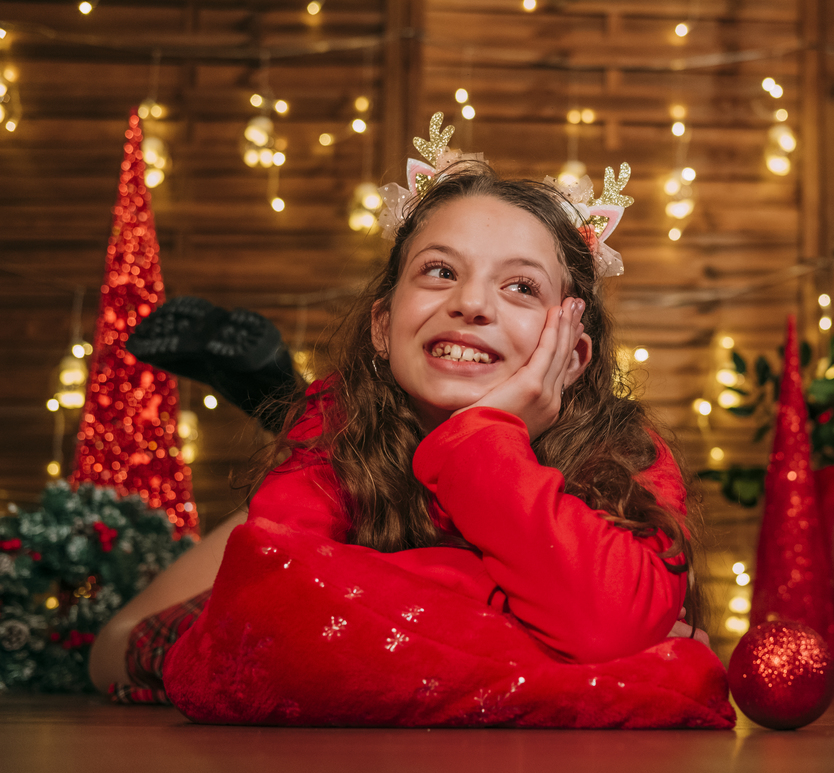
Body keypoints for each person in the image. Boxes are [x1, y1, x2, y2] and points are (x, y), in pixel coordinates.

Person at [89, 141, 708, 698]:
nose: (469, 302)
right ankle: (279, 392)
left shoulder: (624, 454)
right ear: (383, 326)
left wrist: (484, 441)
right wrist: (529, 621)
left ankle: (274, 388)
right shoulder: (338, 437)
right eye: (440, 271)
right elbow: (256, 623)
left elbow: (606, 621)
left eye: (520, 286)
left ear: (572, 352)